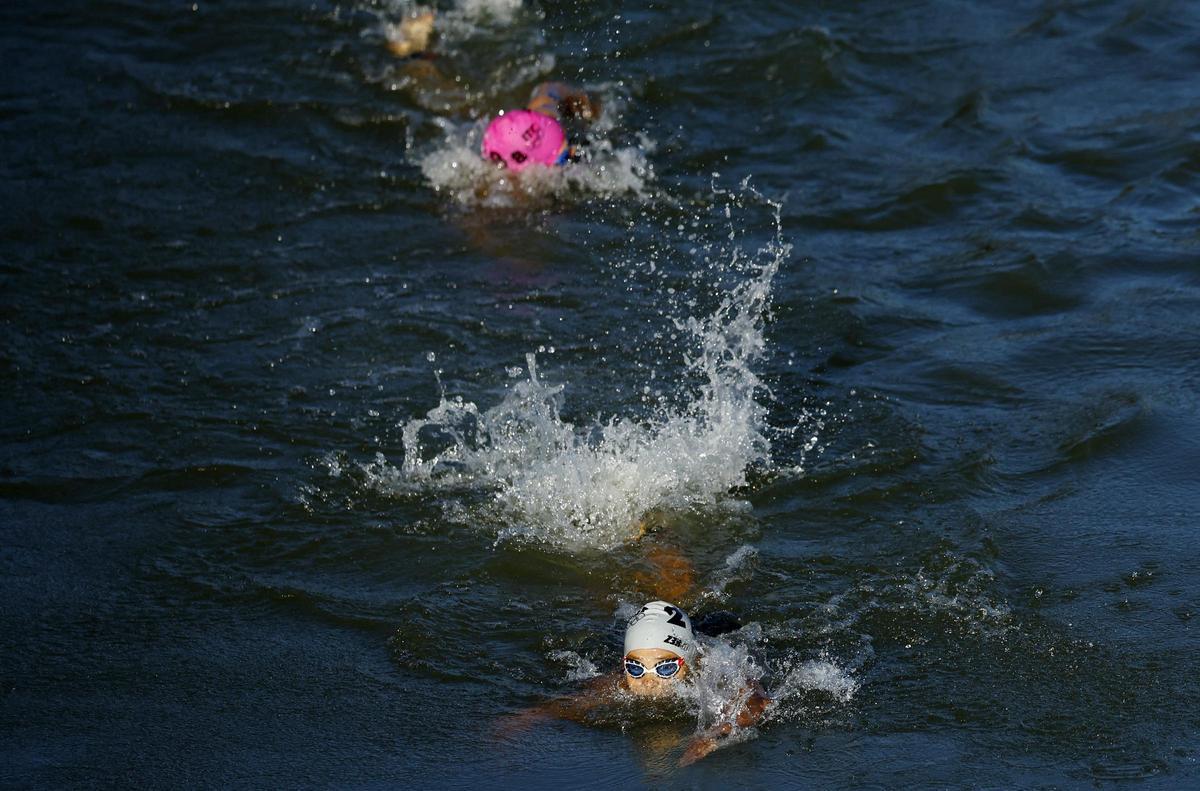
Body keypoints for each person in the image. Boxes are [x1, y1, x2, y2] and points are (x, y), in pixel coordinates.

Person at [498, 601, 771, 766]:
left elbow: (756, 701)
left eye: (664, 668)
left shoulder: (716, 670)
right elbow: (563, 704)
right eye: (636, 667)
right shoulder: (619, 683)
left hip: (721, 627)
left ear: (689, 663)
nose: (649, 681)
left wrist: (715, 734)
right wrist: (521, 721)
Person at [385, 7, 599, 171]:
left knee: (457, 102)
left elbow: (549, 89)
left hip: (497, 130)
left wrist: (585, 106)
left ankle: (418, 56)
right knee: (448, 103)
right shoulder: (494, 200)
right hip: (483, 133)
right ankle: (411, 54)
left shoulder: (543, 121)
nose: (573, 152)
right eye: (565, 159)